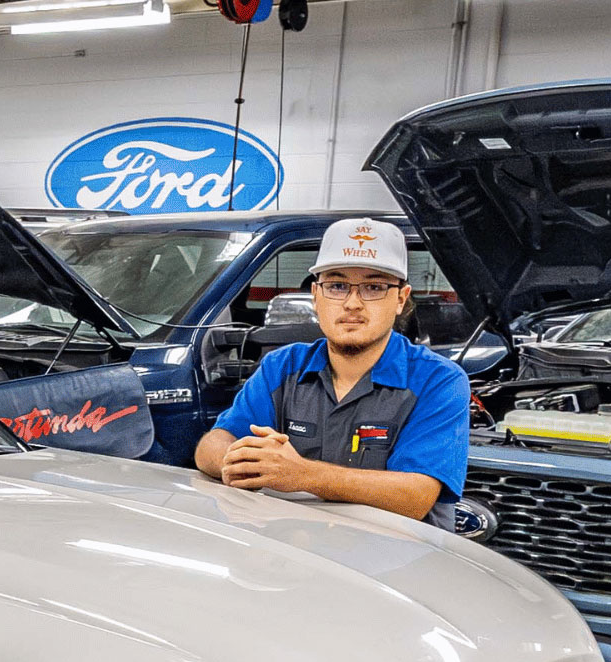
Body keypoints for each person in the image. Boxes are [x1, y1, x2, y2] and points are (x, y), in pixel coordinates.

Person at [192, 217, 470, 529]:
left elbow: (415, 496)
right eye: (337, 286)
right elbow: (212, 444)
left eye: (374, 287)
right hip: (304, 553)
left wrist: (301, 474)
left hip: (397, 565)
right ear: (316, 295)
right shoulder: (282, 367)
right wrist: (236, 460)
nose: (353, 303)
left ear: (400, 299)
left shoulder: (438, 381)